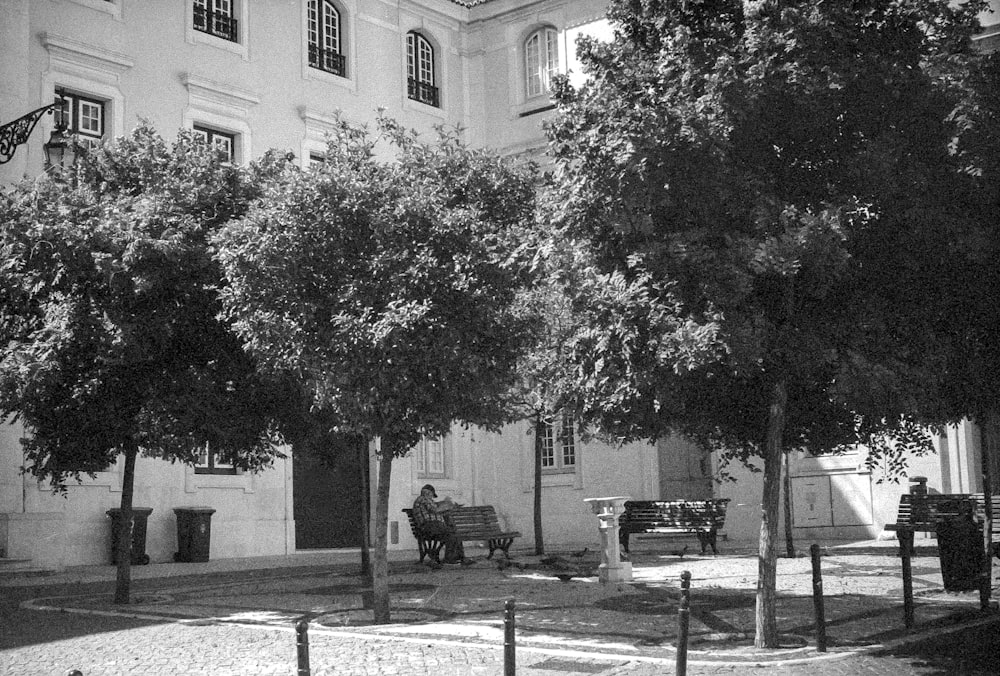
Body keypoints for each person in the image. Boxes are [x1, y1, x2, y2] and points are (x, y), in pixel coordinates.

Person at [412, 484, 474, 567]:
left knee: (454, 532)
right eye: (432, 495)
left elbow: (435, 511)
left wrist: (449, 508)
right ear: (428, 493)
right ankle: (452, 558)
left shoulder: (424, 500)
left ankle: (460, 558)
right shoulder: (423, 499)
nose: (432, 498)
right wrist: (448, 505)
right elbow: (435, 510)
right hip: (429, 526)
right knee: (452, 532)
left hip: (432, 526)